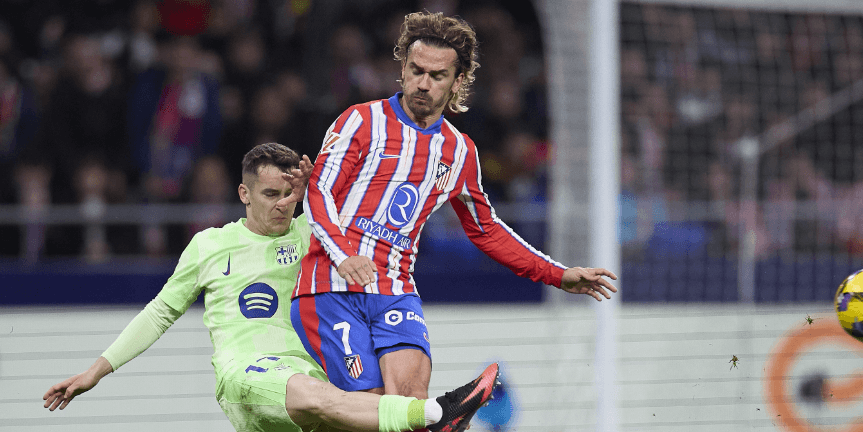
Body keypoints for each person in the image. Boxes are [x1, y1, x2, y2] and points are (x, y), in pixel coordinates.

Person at [42, 142, 500, 432]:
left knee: (362, 406)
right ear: (244, 195)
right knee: (325, 398)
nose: (282, 205)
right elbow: (159, 313)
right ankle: (436, 414)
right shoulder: (210, 245)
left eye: (289, 195)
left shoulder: (313, 233)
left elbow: (364, 199)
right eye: (270, 195)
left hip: (306, 374)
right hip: (246, 375)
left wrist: (321, 186)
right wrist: (95, 372)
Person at [291, 10, 618, 409]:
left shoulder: (459, 151)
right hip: (330, 286)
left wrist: (557, 274)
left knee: (410, 401)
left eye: (437, 75)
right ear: (403, 68)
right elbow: (319, 191)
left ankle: (436, 418)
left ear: (458, 81)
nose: (423, 83)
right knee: (372, 408)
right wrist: (344, 255)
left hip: (395, 290)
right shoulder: (361, 120)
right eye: (416, 71)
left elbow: (486, 229)